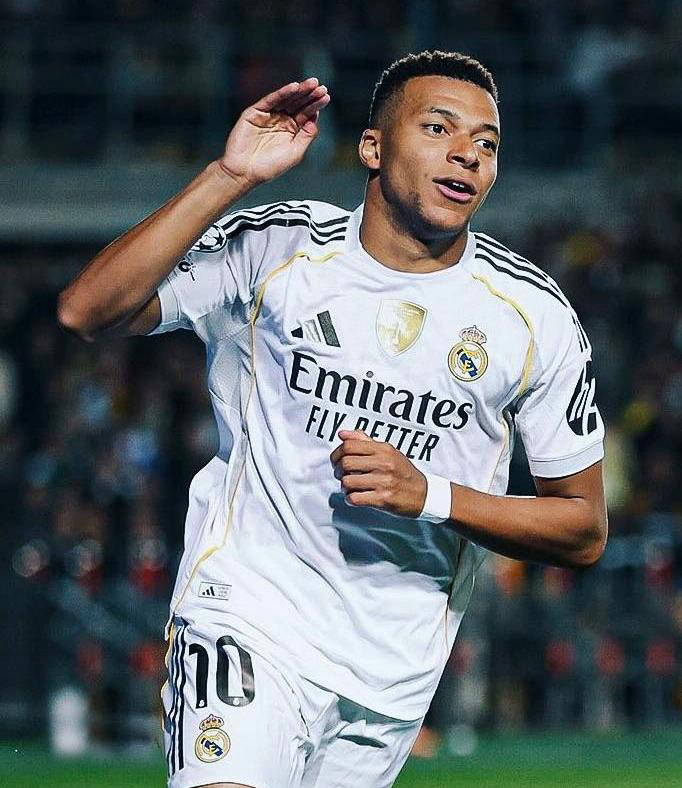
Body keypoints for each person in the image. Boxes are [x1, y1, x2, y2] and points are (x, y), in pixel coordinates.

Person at [58, 50, 607, 788]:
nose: (467, 154)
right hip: (249, 617)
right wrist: (229, 176)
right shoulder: (277, 247)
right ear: (373, 147)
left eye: (487, 142)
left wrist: (430, 495)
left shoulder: (532, 316)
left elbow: (583, 527)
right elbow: (86, 310)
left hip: (391, 676)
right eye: (438, 128)